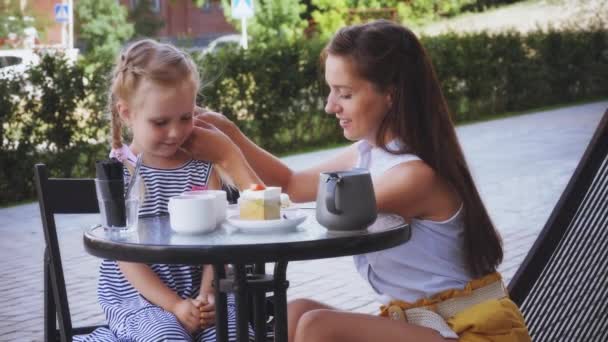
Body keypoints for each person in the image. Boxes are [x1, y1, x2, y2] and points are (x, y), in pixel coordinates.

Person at [185, 20, 531, 342]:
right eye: (331, 91)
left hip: (473, 331)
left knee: (317, 327)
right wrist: (230, 132)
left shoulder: (414, 177)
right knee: (296, 313)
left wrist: (228, 157)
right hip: (424, 325)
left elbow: (302, 217)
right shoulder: (371, 154)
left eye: (344, 93)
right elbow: (291, 184)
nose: (329, 106)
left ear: (390, 95)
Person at [79, 39, 260, 342]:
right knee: (167, 335)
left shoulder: (202, 166)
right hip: (142, 300)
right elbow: (126, 258)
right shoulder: (121, 172)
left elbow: (217, 242)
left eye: (185, 118)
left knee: (238, 335)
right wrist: (175, 305)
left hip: (203, 293)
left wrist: (207, 296)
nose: (175, 132)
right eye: (160, 122)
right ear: (126, 113)